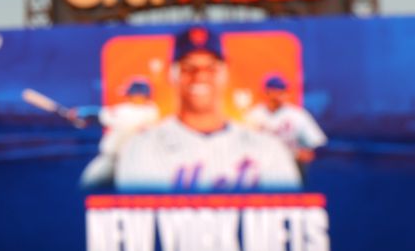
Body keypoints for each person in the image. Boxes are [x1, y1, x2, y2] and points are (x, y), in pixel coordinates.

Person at [114, 26, 301, 191]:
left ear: (225, 72)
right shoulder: (142, 147)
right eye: (188, 67)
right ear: (171, 74)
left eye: (211, 67)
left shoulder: (267, 148)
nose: (200, 76)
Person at [78, 78, 159, 188]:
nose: (129, 97)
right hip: (124, 162)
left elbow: (99, 115)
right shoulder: (151, 111)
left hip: (121, 163)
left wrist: (81, 112)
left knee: (88, 188)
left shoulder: (135, 112)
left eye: (134, 94)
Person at [246, 74, 328, 173]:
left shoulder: (297, 115)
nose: (281, 94)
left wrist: (309, 153)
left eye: (283, 91)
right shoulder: (254, 115)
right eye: (276, 90)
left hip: (291, 164)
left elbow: (318, 143)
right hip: (261, 166)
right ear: (266, 92)